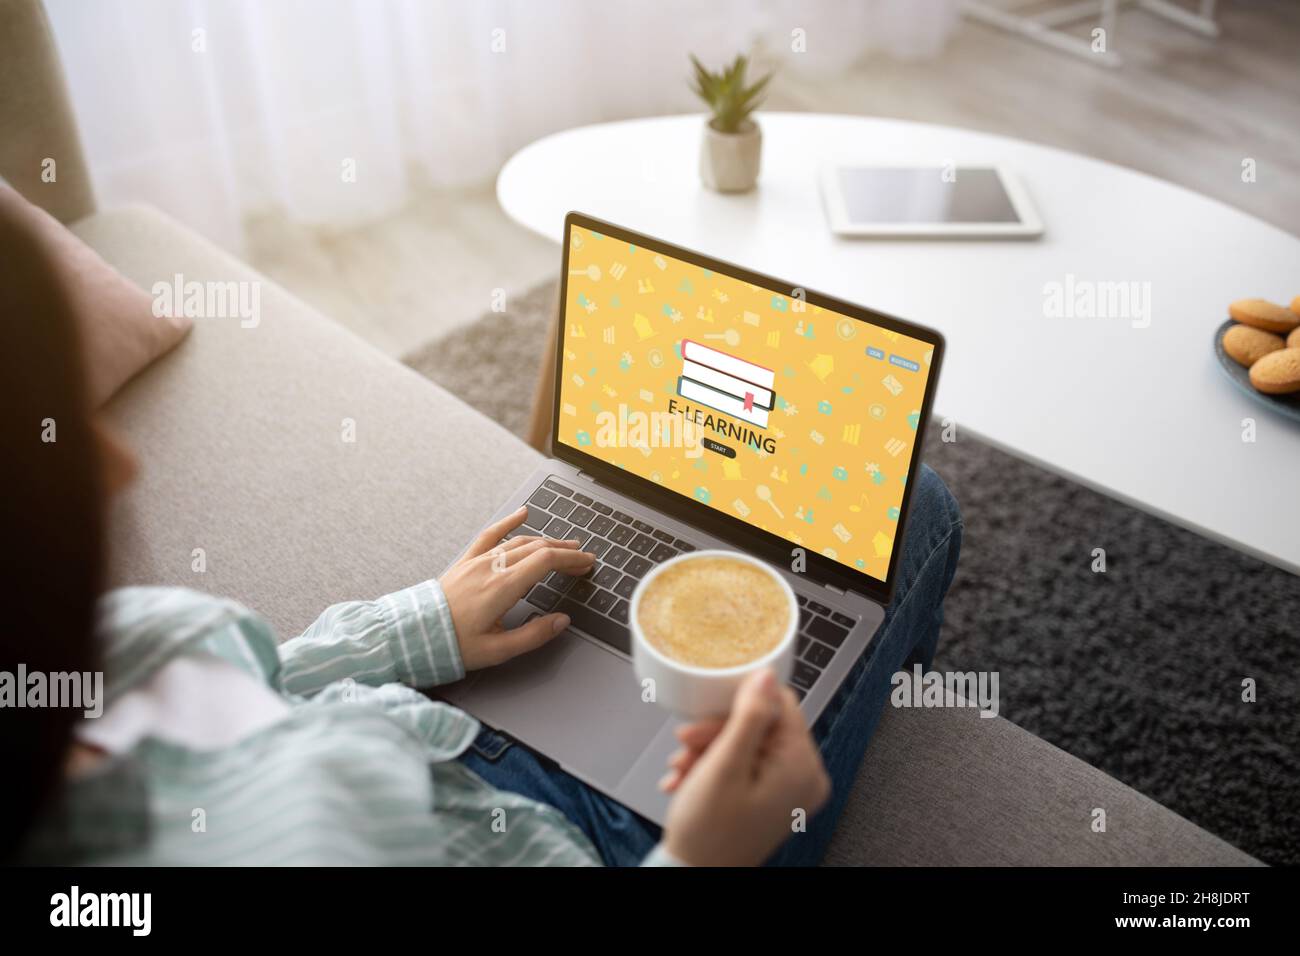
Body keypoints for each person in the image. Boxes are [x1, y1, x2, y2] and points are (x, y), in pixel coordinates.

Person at [0, 200, 962, 866]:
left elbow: (253, 688)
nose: (118, 462)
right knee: (919, 513)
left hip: (446, 715)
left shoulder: (112, 649)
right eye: (41, 434)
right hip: (604, 841)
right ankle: (901, 704)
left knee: (683, 503)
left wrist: (418, 625)